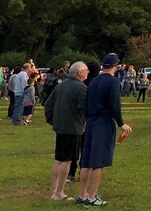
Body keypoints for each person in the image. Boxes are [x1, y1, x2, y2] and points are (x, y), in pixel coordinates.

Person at [78, 53, 133, 206]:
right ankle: (92, 197)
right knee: (98, 160)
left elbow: (86, 103)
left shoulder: (93, 81)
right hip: (103, 122)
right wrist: (121, 123)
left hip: (90, 121)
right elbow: (114, 104)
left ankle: (82, 194)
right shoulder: (113, 81)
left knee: (86, 160)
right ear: (115, 65)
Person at [44, 61, 88, 201]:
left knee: (58, 159)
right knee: (66, 160)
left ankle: (54, 191)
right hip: (73, 128)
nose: (87, 73)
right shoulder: (81, 88)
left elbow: (48, 105)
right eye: (86, 70)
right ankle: (59, 192)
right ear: (79, 73)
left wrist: (53, 121)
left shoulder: (60, 86)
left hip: (61, 127)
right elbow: (85, 109)